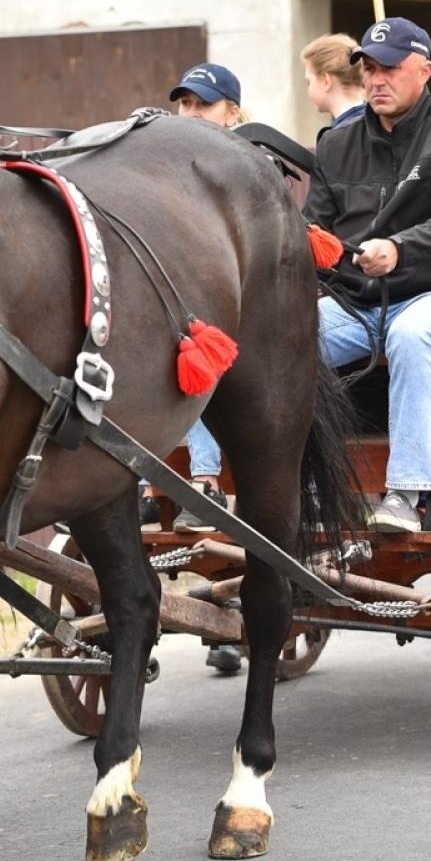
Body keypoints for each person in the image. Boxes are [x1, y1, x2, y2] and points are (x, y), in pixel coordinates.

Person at [305, 18, 431, 532]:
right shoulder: (334, 144)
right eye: (368, 68)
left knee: (412, 335)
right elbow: (312, 229)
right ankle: (313, 491)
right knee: (292, 340)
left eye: (389, 68)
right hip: (356, 303)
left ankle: (406, 494)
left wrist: (398, 248)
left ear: (425, 70)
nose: (375, 79)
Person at [167, 61, 249, 672]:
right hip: (194, 323)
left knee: (204, 350)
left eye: (205, 106)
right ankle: (192, 482)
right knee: (179, 348)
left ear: (233, 115)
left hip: (255, 332)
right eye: (185, 106)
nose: (192, 117)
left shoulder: (252, 170)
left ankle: (205, 480)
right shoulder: (161, 174)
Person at [300, 33, 364, 133]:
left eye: (309, 82)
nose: (308, 89)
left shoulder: (338, 137)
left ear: (326, 81)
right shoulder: (380, 124)